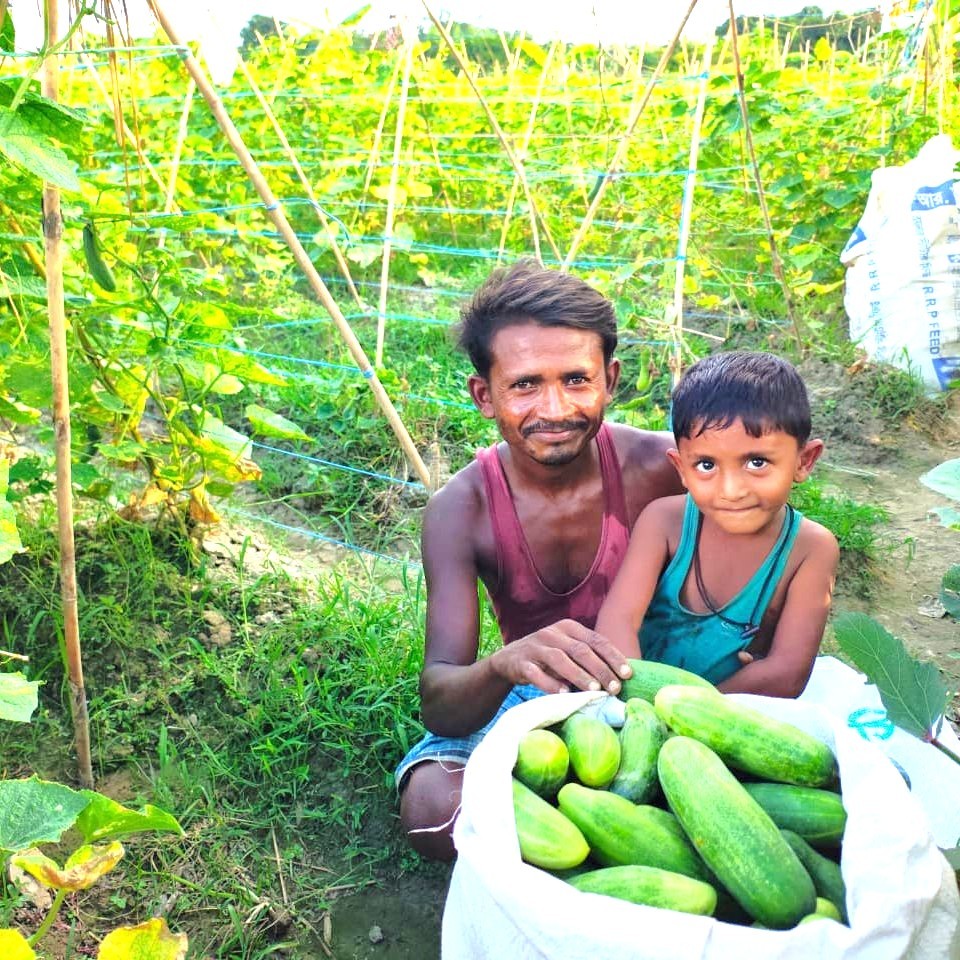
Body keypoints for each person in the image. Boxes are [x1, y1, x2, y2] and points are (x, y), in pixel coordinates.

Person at [396, 260, 684, 860]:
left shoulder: (660, 467)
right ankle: (590, 842)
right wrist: (506, 664)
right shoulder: (461, 511)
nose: (554, 408)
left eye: (576, 380)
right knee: (430, 808)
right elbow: (441, 699)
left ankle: (577, 846)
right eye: (525, 384)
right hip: (532, 699)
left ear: (610, 378)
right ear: (484, 394)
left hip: (657, 687)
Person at [595, 350, 840, 697]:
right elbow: (617, 621)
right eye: (706, 465)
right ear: (680, 468)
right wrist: (642, 701)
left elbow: (787, 673)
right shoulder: (665, 522)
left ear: (804, 461)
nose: (731, 490)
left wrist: (699, 713)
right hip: (631, 703)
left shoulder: (811, 550)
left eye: (757, 462)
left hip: (731, 713)